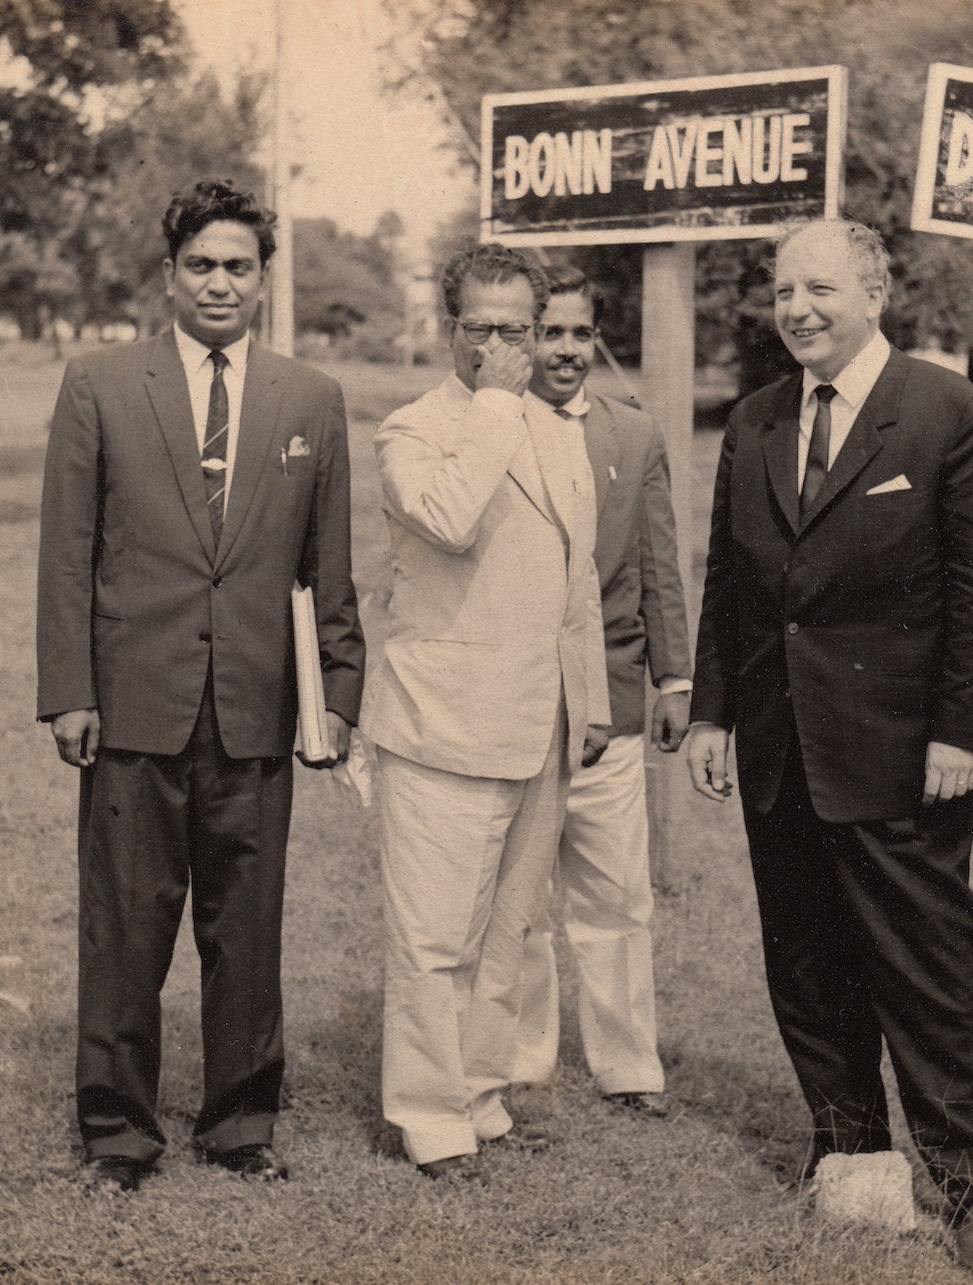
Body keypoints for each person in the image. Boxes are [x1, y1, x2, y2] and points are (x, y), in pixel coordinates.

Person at [685, 218, 973, 1267]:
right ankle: (849, 1152)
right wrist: (711, 711)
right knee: (804, 959)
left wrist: (962, 733)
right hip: (781, 749)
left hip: (900, 754)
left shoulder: (945, 412)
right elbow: (732, 585)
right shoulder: (755, 421)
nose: (797, 308)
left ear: (875, 293)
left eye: (821, 288)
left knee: (925, 972)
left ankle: (972, 1188)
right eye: (784, 289)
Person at [36, 179, 364, 1192]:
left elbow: (329, 561)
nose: (220, 283)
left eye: (239, 266)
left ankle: (241, 1123)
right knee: (127, 925)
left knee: (247, 926)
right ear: (168, 274)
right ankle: (118, 1131)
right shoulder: (100, 384)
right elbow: (67, 552)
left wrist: (338, 695)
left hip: (257, 708)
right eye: (201, 265)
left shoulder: (309, 397)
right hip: (135, 700)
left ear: (263, 279)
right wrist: (70, 691)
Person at [360, 243, 611, 1184]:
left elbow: (574, 577)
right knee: (434, 934)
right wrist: (502, 403)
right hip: (444, 721)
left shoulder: (557, 430)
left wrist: (584, 702)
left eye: (522, 328)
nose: (504, 346)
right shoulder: (411, 429)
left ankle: (479, 1092)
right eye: (484, 328)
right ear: (449, 328)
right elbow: (453, 516)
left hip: (540, 718)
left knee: (509, 927)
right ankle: (428, 1116)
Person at [510, 269, 693, 1116]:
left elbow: (658, 561)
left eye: (582, 335)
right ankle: (522, 1057)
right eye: (550, 333)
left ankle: (628, 1064)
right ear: (523, 338)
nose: (567, 352)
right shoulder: (495, 427)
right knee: (520, 894)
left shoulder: (633, 433)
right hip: (512, 704)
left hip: (613, 702)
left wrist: (674, 677)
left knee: (616, 894)